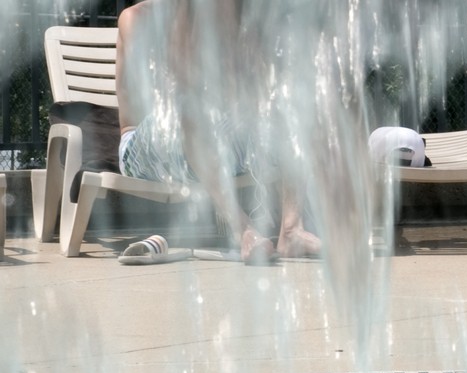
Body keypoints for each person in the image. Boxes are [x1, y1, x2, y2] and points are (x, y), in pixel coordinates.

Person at [116, 0, 322, 263]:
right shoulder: (135, 17)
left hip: (202, 140)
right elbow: (157, 93)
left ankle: (291, 230)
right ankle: (244, 231)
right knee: (188, 105)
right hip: (141, 147)